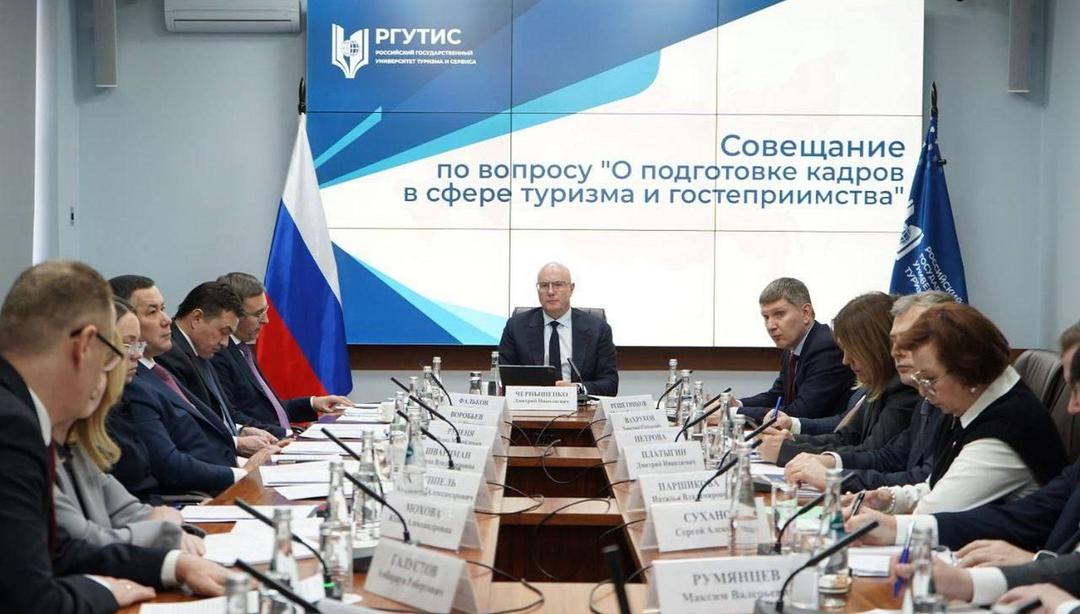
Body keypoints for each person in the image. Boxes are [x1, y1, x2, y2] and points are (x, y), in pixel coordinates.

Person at [0, 261, 229, 612]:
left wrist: (171, 566)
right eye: (114, 354)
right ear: (85, 345)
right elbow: (31, 599)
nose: (112, 374)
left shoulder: (19, 409)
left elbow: (57, 549)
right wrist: (107, 592)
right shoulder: (12, 426)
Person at [847, 349, 1080, 609]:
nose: (1072, 407)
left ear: (967, 369)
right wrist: (895, 524)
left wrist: (1033, 563)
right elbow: (1027, 514)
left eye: (930, 378)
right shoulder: (960, 412)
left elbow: (935, 504)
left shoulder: (1006, 423)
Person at [842, 303, 1066, 515]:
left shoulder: (1001, 433)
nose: (923, 392)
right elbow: (937, 485)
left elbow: (932, 513)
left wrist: (867, 517)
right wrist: (887, 498)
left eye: (930, 379)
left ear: (968, 369)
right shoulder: (973, 404)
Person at [109, 275, 279, 496]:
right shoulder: (134, 382)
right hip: (194, 495)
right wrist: (242, 472)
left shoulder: (158, 369)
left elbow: (199, 431)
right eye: (152, 312)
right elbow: (167, 464)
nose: (166, 319)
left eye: (163, 309)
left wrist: (241, 448)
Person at [55, 299, 200, 552]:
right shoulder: (29, 431)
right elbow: (82, 540)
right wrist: (163, 533)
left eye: (138, 344)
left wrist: (164, 523)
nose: (136, 354)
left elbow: (123, 507)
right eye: (126, 345)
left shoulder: (78, 430)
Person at [780, 291, 954, 490]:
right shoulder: (920, 394)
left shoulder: (907, 391)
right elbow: (889, 454)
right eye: (895, 341)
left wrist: (832, 477)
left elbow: (921, 479)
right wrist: (827, 461)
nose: (896, 351)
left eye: (912, 341)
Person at [756, 292, 919, 466]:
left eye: (852, 350)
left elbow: (873, 453)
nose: (845, 360)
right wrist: (792, 441)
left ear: (874, 347)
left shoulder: (902, 388)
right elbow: (846, 437)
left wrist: (787, 451)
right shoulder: (879, 384)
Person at [212, 272, 351, 430]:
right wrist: (286, 435)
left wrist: (313, 403)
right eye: (258, 314)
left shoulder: (243, 350)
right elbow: (231, 419)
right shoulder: (218, 354)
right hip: (264, 442)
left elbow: (271, 411)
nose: (266, 320)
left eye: (265, 311)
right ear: (233, 315)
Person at [157, 281, 285, 439]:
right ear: (197, 318)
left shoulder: (201, 350)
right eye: (224, 332)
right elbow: (190, 426)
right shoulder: (170, 356)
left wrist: (241, 430)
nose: (225, 343)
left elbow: (220, 415)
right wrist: (236, 442)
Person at [736, 277, 854, 421]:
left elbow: (802, 411)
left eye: (779, 314)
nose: (770, 326)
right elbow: (777, 395)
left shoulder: (826, 348)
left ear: (806, 313)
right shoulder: (792, 348)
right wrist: (736, 404)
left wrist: (736, 413)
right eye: (766, 317)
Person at [497, 262, 618, 396]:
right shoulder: (516, 327)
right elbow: (505, 379)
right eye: (544, 285)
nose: (550, 292)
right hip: (532, 402)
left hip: (580, 405)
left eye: (558, 284)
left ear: (571, 288)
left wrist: (576, 389)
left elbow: (610, 384)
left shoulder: (598, 329)